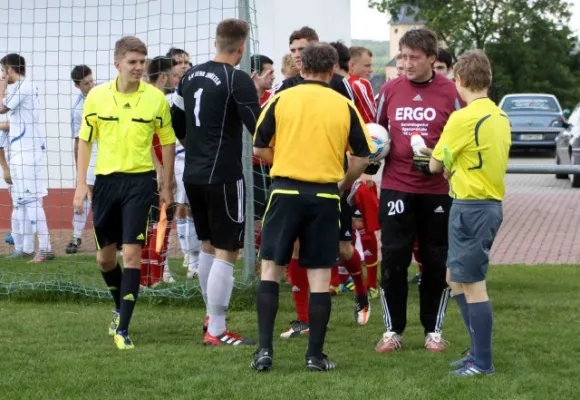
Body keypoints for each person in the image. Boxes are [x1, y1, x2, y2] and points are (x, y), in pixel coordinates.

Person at [251, 42, 373, 372]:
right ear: (333, 70)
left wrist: (288, 160)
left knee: (271, 271)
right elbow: (364, 156)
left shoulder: (280, 99)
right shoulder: (344, 105)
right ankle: (314, 356)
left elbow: (259, 148)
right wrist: (342, 183)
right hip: (323, 195)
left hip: (284, 192)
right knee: (320, 278)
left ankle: (264, 352)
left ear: (301, 67)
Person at [73, 36, 176, 350]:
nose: (138, 68)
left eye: (142, 62)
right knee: (105, 259)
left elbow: (168, 140)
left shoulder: (155, 98)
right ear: (117, 64)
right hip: (105, 184)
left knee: (132, 255)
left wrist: (167, 184)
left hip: (140, 183)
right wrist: (80, 184)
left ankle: (124, 329)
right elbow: (85, 140)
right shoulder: (97, 97)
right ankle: (119, 306)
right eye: (132, 62)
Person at [172, 18, 267, 346]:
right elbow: (259, 129)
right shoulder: (237, 79)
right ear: (241, 48)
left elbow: (177, 125)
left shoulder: (189, 75)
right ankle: (217, 330)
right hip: (224, 177)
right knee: (228, 251)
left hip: (193, 176)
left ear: (217, 42)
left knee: (209, 247)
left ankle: (211, 319)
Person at [275, 27, 371, 338]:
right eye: (293, 48)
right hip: (294, 180)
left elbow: (361, 130)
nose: (297, 54)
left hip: (333, 179)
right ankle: (304, 319)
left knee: (342, 248)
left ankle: (361, 292)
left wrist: (350, 179)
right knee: (294, 249)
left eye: (302, 48)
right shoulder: (285, 88)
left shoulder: (340, 86)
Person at [374, 28, 462, 353]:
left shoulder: (450, 92)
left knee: (434, 258)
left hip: (437, 190)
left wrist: (442, 160)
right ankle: (392, 331)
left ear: (431, 59)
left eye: (414, 57)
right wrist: (371, 160)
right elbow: (376, 133)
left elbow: (461, 139)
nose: (407, 63)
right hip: (396, 187)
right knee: (395, 258)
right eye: (403, 57)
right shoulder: (390, 90)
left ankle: (432, 331)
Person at [428, 49, 510, 376]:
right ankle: (475, 352)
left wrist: (444, 164)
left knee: (473, 284)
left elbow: (435, 163)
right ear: (488, 80)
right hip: (484, 205)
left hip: (471, 208)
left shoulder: (463, 117)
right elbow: (480, 158)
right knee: (455, 278)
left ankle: (482, 363)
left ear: (459, 80)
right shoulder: (501, 117)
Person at [0, 53, 54, 263]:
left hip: (29, 154)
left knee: (31, 201)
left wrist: (2, 85)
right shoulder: (19, 90)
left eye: (4, 71)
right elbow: (14, 123)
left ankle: (46, 248)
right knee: (21, 202)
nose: (3, 75)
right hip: (19, 152)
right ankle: (27, 248)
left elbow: (1, 107)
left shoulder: (25, 86)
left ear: (10, 69)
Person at [139, 55, 179, 287]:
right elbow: (149, 138)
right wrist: (162, 170)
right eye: (173, 75)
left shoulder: (145, 97)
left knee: (151, 224)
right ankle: (155, 277)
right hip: (155, 171)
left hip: (146, 170)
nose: (176, 79)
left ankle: (146, 278)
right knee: (161, 222)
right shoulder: (155, 100)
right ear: (163, 77)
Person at [345, 46, 381, 297]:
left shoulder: (343, 85)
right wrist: (367, 167)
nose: (371, 70)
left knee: (346, 225)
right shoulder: (359, 85)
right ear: (352, 66)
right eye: (367, 65)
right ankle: (370, 284)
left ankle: (341, 280)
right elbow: (372, 125)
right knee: (362, 224)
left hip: (340, 165)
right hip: (358, 165)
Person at [65, 65, 96, 254]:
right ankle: (76, 237)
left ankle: (116, 238)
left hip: (112, 151)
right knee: (85, 194)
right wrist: (80, 174)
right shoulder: (78, 109)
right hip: (92, 153)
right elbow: (79, 142)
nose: (91, 85)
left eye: (92, 80)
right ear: (78, 86)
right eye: (86, 83)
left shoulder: (103, 92)